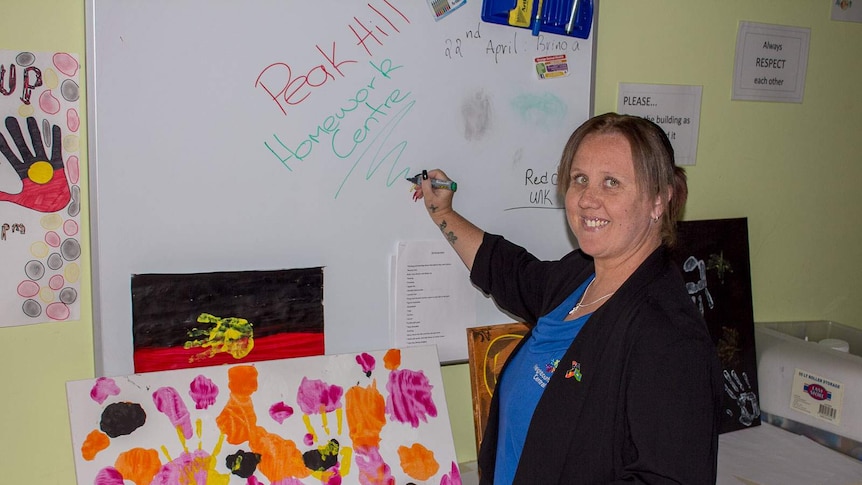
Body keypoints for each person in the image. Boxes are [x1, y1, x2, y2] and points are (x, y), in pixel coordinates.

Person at [412, 112, 722, 484]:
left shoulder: (667, 337)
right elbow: (509, 270)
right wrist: (443, 213)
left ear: (659, 199)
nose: (588, 199)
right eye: (580, 179)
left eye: (611, 182)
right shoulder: (579, 276)